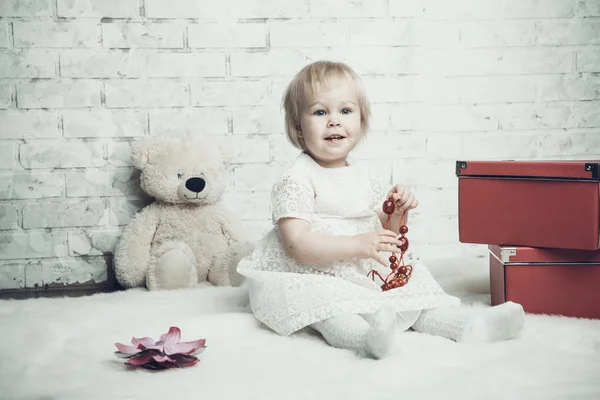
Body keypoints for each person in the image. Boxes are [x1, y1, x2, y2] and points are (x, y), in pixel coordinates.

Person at [235, 61, 525, 359]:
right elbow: (297, 244)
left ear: (361, 121)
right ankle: (365, 339)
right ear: (298, 126)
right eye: (320, 112)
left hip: (360, 268)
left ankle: (469, 326)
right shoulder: (296, 179)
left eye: (345, 111)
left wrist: (397, 212)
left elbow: (387, 233)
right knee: (329, 308)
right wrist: (356, 245)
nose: (334, 121)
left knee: (411, 295)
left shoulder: (365, 176)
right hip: (312, 272)